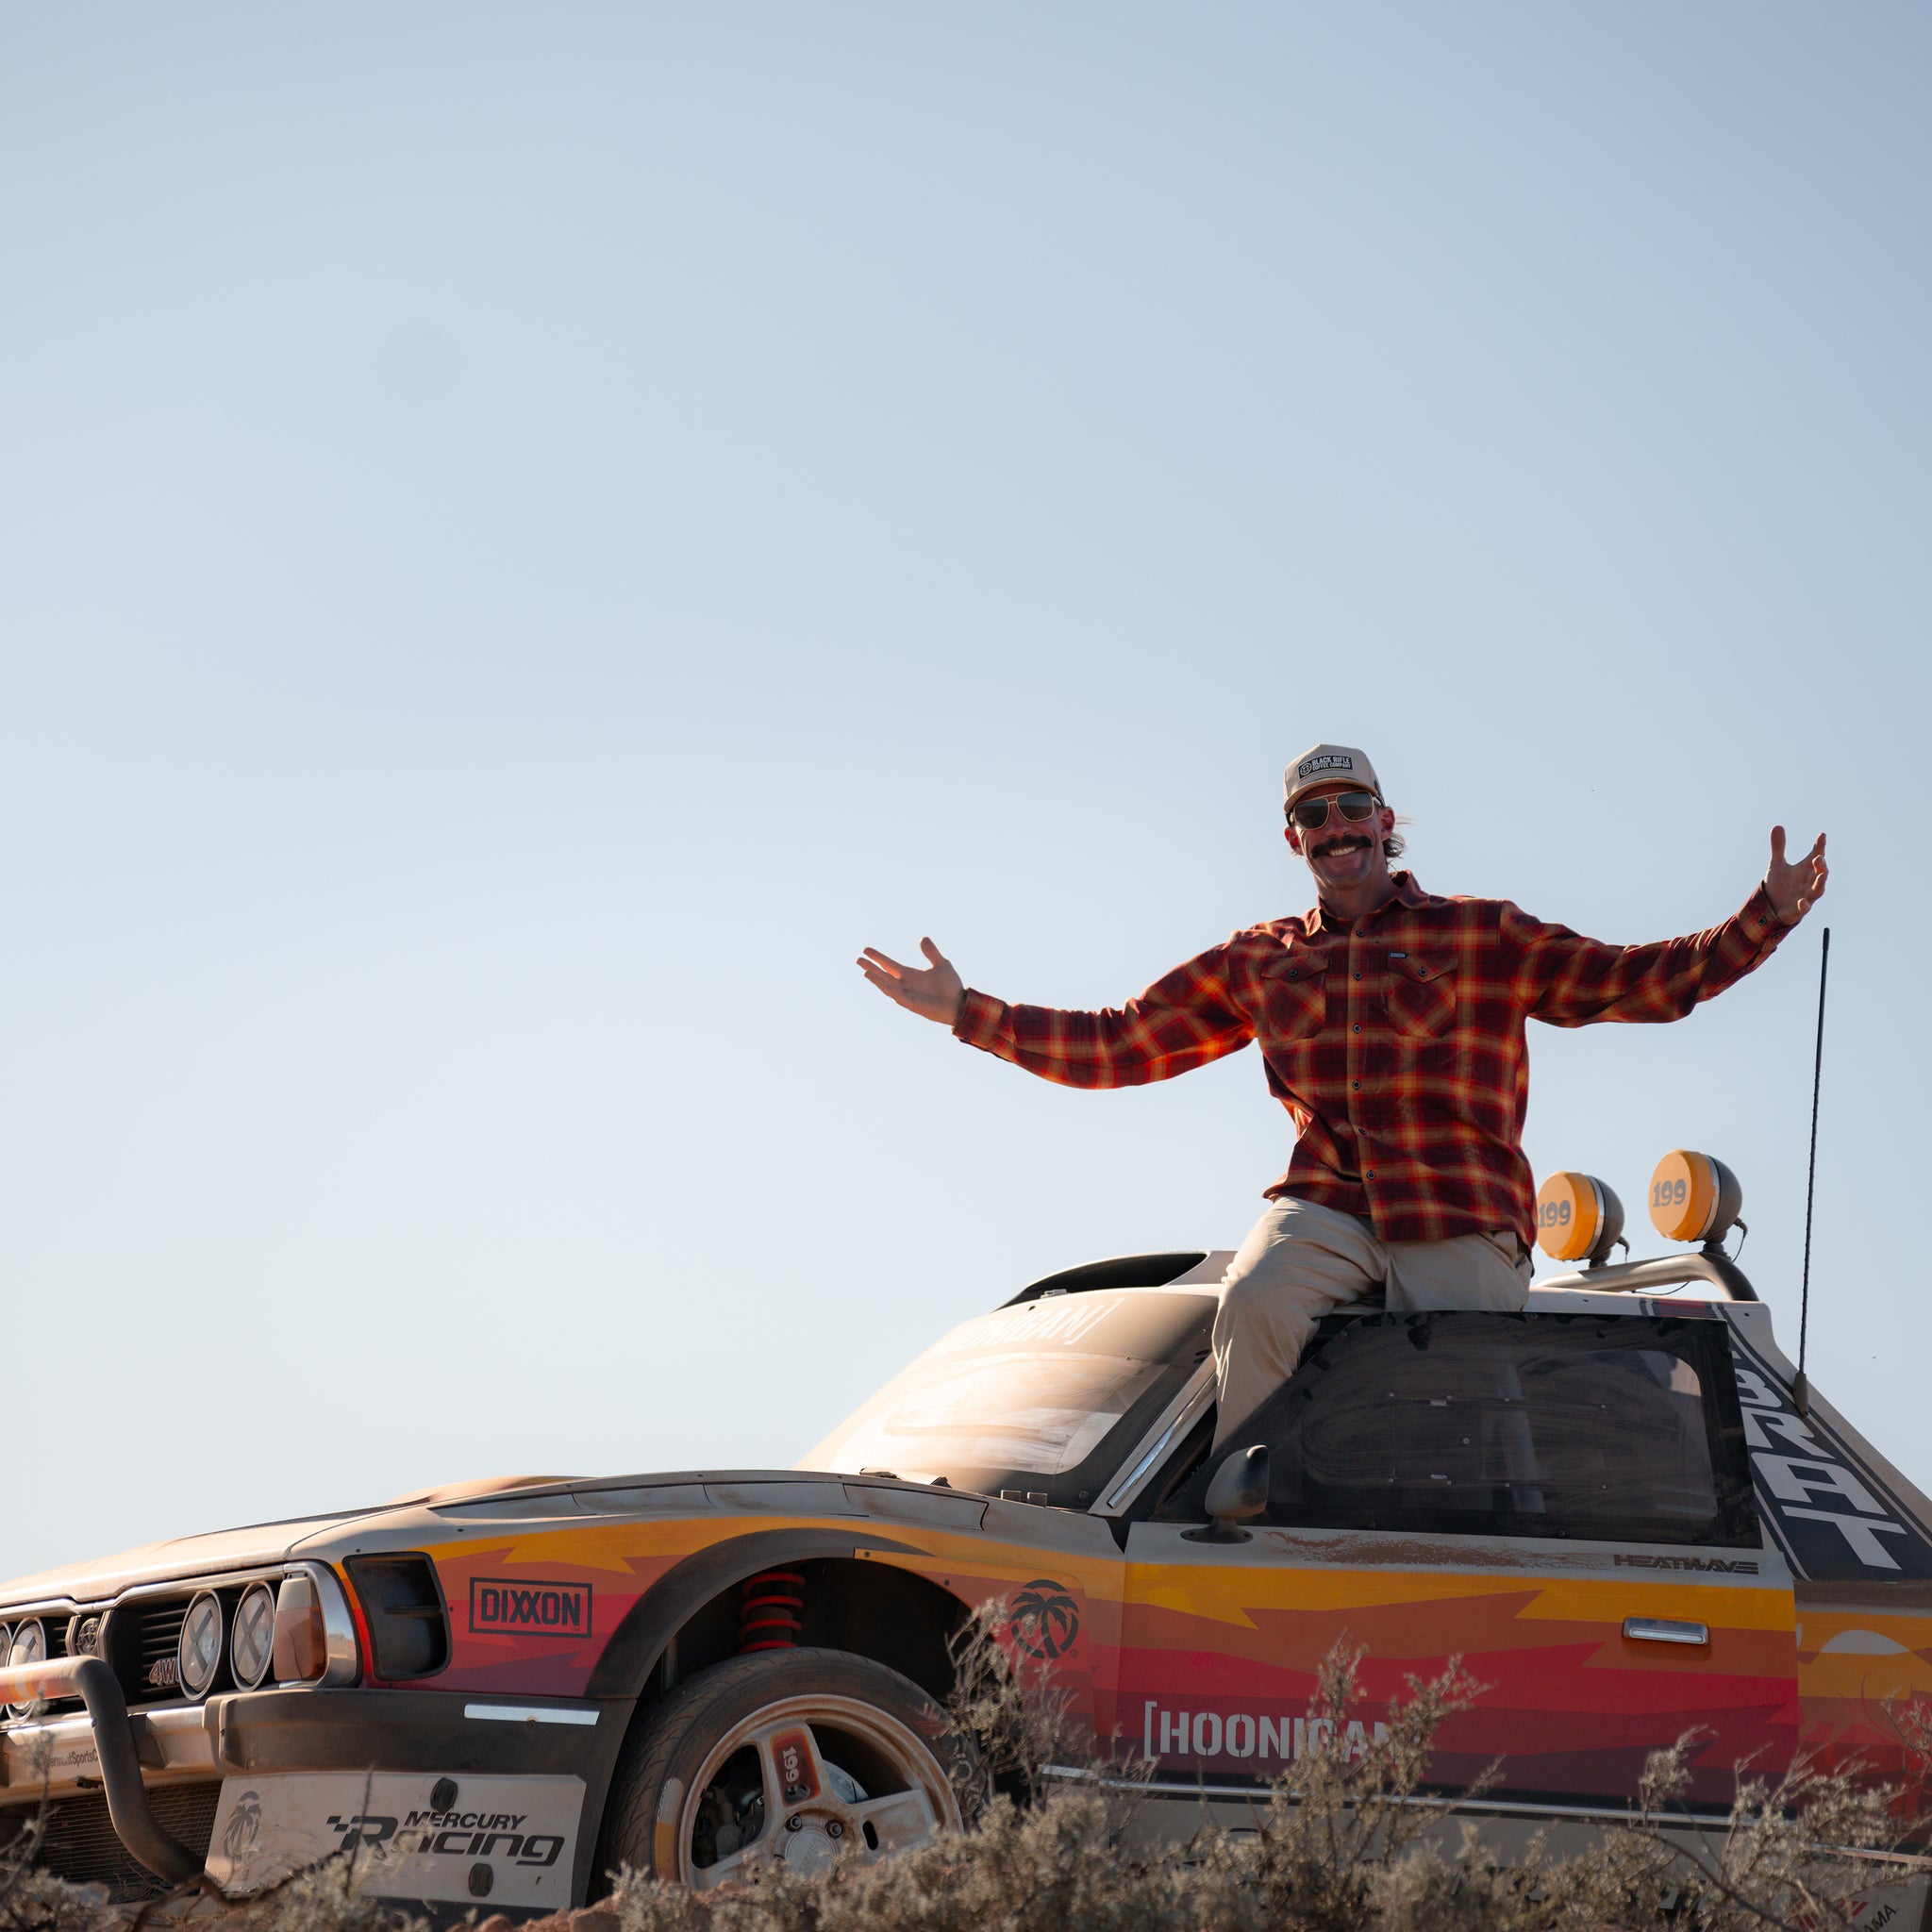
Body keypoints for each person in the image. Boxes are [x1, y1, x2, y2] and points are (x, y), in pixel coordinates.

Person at [858, 743, 1827, 1453]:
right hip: (1328, 1204)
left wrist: (1763, 917)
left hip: (1457, 1206)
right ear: (1295, 839)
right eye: (1314, 815)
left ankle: (1463, 1552)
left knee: (1457, 1393)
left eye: (1351, 806)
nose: (1336, 827)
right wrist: (968, 1012)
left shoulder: (1480, 934)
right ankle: (1246, 1506)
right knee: (1254, 1298)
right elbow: (1119, 1044)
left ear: (1384, 819)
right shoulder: (1260, 959)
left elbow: (1636, 981)